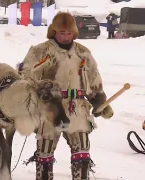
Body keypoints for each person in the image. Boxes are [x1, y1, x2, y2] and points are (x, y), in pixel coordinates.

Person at [19, 12, 114, 179]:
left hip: (77, 106)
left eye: (69, 33)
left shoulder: (83, 53)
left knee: (82, 150)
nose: (65, 37)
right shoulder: (40, 51)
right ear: (54, 31)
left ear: (74, 33)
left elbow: (93, 78)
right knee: (45, 151)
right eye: (62, 33)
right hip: (49, 108)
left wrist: (99, 100)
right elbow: (25, 77)